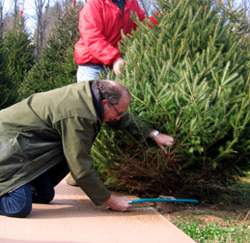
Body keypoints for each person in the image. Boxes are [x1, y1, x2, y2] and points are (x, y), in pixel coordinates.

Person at [0, 80, 174, 218]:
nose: (118, 117)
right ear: (105, 102)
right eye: (118, 112)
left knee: (45, 195)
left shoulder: (92, 96)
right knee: (19, 207)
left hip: (27, 147)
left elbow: (120, 117)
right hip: (9, 147)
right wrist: (110, 200)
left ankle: (17, 185)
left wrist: (153, 133)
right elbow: (80, 166)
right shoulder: (78, 114)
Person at [74, 0, 157, 82]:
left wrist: (159, 19)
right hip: (93, 67)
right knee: (93, 100)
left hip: (117, 66)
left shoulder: (131, 2)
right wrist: (114, 58)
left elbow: (142, 25)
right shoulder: (93, 5)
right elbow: (92, 38)